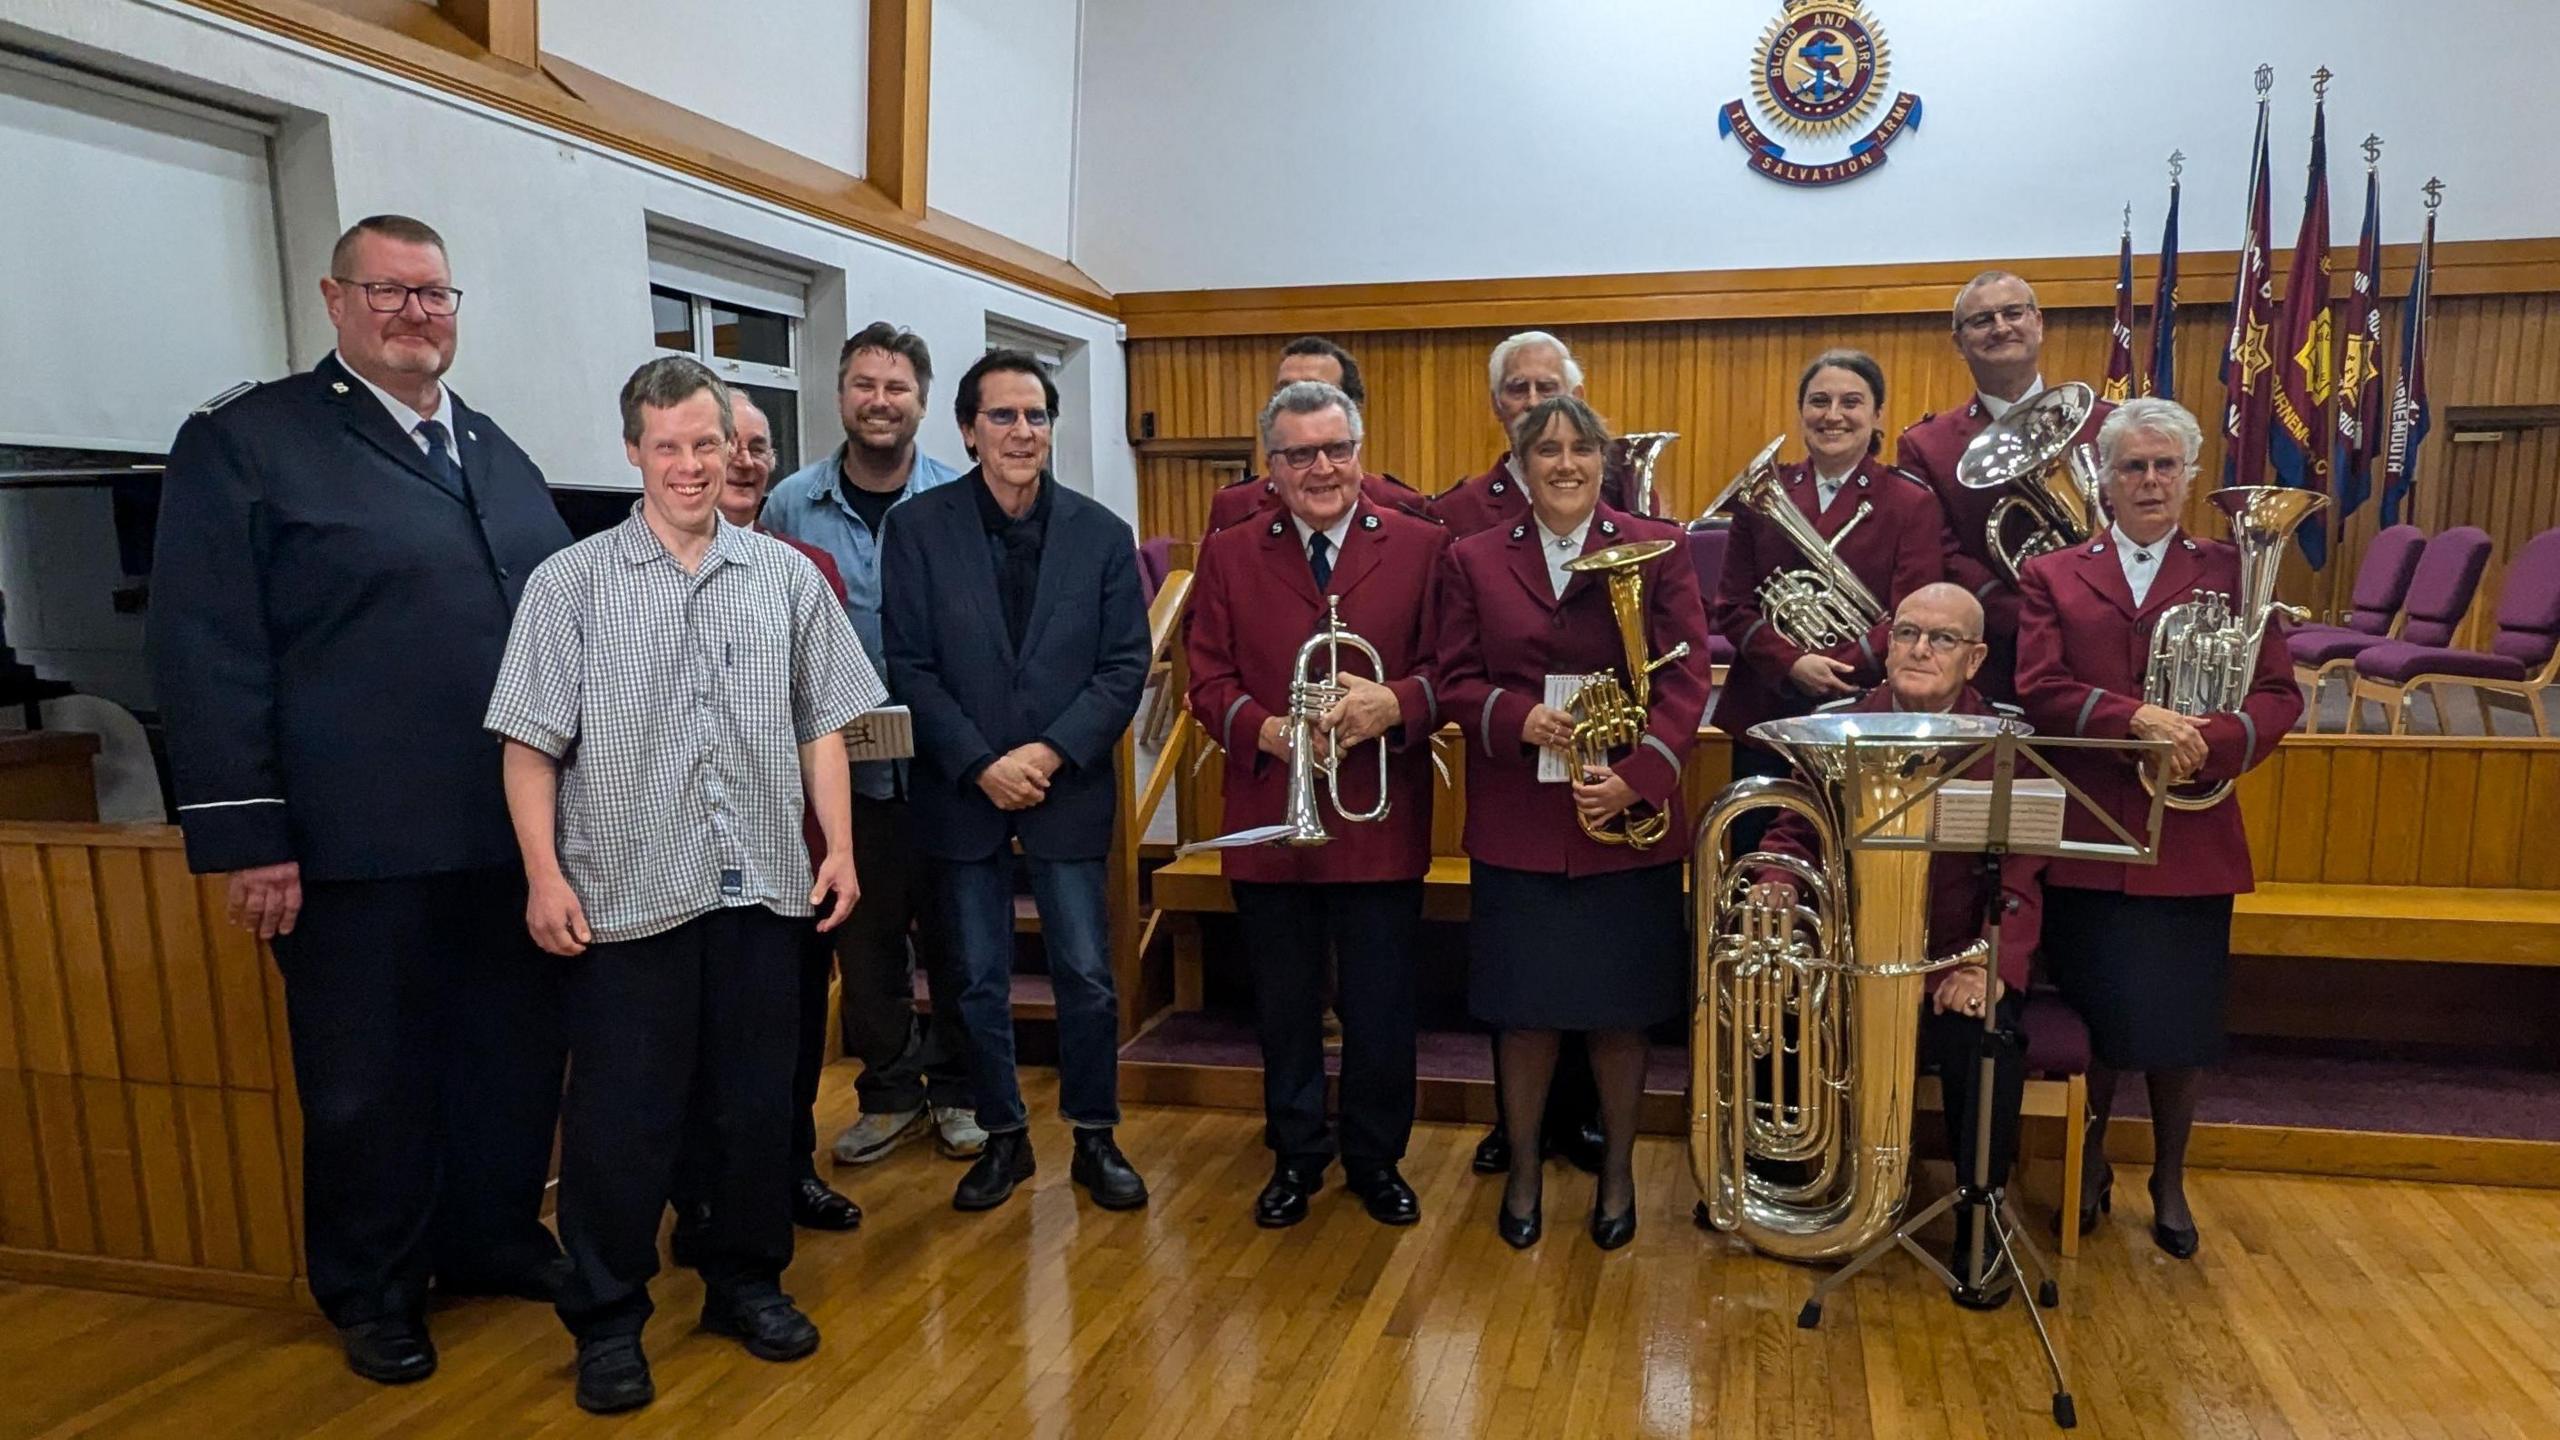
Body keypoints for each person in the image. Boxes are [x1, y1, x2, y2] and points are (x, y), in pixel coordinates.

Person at [150, 214, 572, 1385]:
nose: (414, 314)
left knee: (508, 1058)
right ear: (336, 302)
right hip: (351, 845)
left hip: (506, 838)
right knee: (366, 1083)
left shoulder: (489, 447)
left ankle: (487, 1238)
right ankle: (375, 1288)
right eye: (388, 293)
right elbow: (205, 646)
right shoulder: (248, 441)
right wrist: (252, 836)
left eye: (434, 295)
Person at [485, 357, 880, 1413]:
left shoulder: (787, 579)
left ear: (733, 448)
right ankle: (609, 1318)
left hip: (761, 890)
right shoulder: (568, 586)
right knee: (623, 1124)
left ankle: (743, 1282)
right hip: (623, 897)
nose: (692, 464)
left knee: (754, 1113)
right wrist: (541, 875)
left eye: (709, 443)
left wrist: (835, 848)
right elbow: (527, 746)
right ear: (634, 454)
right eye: (669, 446)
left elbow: (823, 726)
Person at [2014, 397, 2302, 1262]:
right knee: (2095, 1017)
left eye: (2164, 466)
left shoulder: (2232, 567)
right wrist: (2139, 718)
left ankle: (2169, 1177)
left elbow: (2278, 697)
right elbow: (2040, 685)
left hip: (2191, 831)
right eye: (2132, 466)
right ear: (2103, 478)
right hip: (2092, 826)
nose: (2149, 481)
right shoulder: (2055, 573)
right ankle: (2091, 1157)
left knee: (2182, 1026)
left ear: (2188, 477)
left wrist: (2203, 742)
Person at [1433, 395, 1713, 1252]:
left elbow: (1687, 677)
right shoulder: (1474, 557)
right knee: (1523, 1015)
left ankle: (1619, 1173)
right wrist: (1513, 717)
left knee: (1620, 1017)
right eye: (1546, 449)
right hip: (1521, 816)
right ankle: (1521, 1170)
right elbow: (1451, 678)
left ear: (1605, 461)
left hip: (1625, 818)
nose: (1564, 464)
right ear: (1518, 464)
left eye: (1581, 449)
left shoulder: (1660, 547)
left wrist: (1638, 780)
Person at [880, 349, 1152, 1214]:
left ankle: (1095, 1137)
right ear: (967, 431)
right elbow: (910, 667)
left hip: (1066, 789)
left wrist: (1049, 753)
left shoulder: (1103, 534)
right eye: (1003, 416)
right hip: (962, 791)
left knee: (1086, 974)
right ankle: (1003, 1139)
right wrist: (981, 763)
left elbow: (1123, 666)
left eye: (1036, 416)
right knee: (977, 981)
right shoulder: (918, 531)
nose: (1022, 432)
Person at [1185, 380, 1448, 1229]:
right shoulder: (1228, 550)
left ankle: (1376, 1158)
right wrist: (1263, 731)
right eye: (1300, 454)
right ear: (1272, 467)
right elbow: (1205, 680)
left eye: (1336, 448)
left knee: (1381, 1004)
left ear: (1359, 452)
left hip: (1377, 818)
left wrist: (1395, 703)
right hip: (1273, 811)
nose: (1322, 468)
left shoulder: (1420, 544)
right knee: (1285, 1004)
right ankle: (1296, 1154)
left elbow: (1454, 669)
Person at [1745, 583, 2045, 1302]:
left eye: (1942, 640)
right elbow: (1793, 830)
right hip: (1849, 955)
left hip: (1948, 962)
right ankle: (1787, 1197)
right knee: (1767, 999)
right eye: (1908, 632)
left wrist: (1987, 965)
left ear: (1974, 659)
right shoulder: (1836, 726)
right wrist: (1774, 878)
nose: (1919, 650)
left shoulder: (2007, 744)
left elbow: (2022, 876)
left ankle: (1981, 1224)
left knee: (1989, 1038)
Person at [762, 323, 985, 1168]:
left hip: (948, 766)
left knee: (961, 942)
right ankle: (890, 1093)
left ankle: (963, 1092)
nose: (879, 402)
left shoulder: (959, 497)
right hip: (841, 774)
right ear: (841, 395)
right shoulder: (789, 504)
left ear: (923, 402)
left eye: (896, 388)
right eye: (864, 385)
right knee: (866, 946)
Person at [664, 391, 861, 1255]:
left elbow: (824, 715)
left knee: (786, 1040)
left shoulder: (807, 568)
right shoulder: (616, 573)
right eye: (723, 443)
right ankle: (700, 1198)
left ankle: (789, 1170)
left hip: (794, 850)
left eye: (754, 446)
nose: (739, 461)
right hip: (680, 853)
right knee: (696, 1052)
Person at [1711, 349, 1942, 847]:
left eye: (1851, 402)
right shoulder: (1765, 494)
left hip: (1864, 709)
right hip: (1765, 707)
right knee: (1755, 852)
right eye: (1819, 401)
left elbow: (1912, 612)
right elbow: (1731, 607)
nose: (1833, 415)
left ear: (1877, 414)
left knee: (1850, 854)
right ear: (1802, 412)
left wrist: (1841, 664)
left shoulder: (1910, 501)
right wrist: (1794, 662)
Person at [1893, 272, 2114, 700]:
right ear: (1958, 343)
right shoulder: (1926, 444)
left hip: (2108, 640)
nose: (2000, 327)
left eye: (2014, 313)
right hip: (1998, 651)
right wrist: (2030, 612)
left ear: (2039, 322)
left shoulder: (2107, 421)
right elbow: (1942, 551)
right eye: (1982, 320)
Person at [1429, 330, 1652, 541]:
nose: (1533, 402)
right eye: (1518, 389)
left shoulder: (1625, 491)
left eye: (1547, 388)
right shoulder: (1457, 510)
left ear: (1577, 398)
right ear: (1496, 404)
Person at [1203, 337, 1426, 533]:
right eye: (1285, 391)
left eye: (1316, 390)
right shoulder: (1235, 505)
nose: (1298, 401)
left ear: (1351, 408)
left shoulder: (1399, 504)